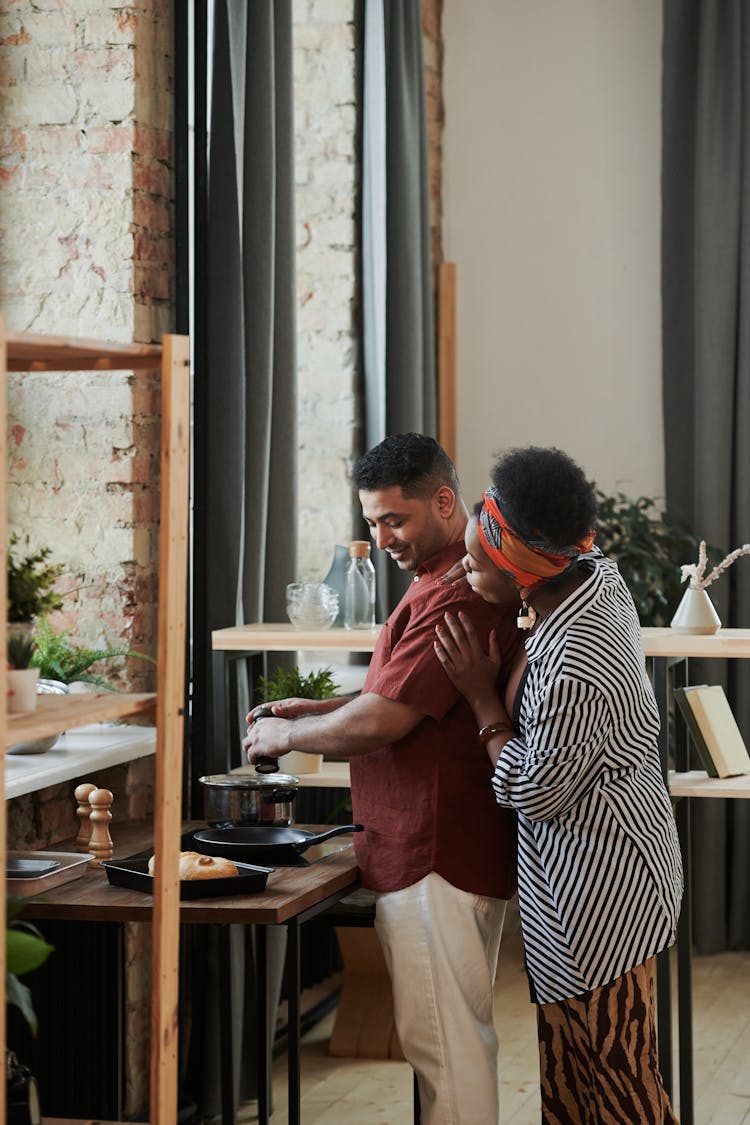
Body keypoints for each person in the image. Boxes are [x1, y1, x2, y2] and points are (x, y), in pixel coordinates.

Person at [243, 433, 521, 1124]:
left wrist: (284, 734)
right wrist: (323, 707)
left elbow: (386, 723)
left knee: (447, 1051)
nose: (382, 535)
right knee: (448, 1045)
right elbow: (405, 699)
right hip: (440, 848)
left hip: (436, 853)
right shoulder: (442, 577)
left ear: (445, 500)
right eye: (371, 521)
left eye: (394, 519)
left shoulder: (458, 589)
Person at [433, 445, 683, 1124]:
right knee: (572, 1083)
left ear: (519, 566)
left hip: (603, 893)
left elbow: (534, 788)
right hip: (581, 879)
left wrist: (483, 701)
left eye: (478, 560)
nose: (464, 567)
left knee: (620, 1082)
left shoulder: (577, 656)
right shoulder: (591, 575)